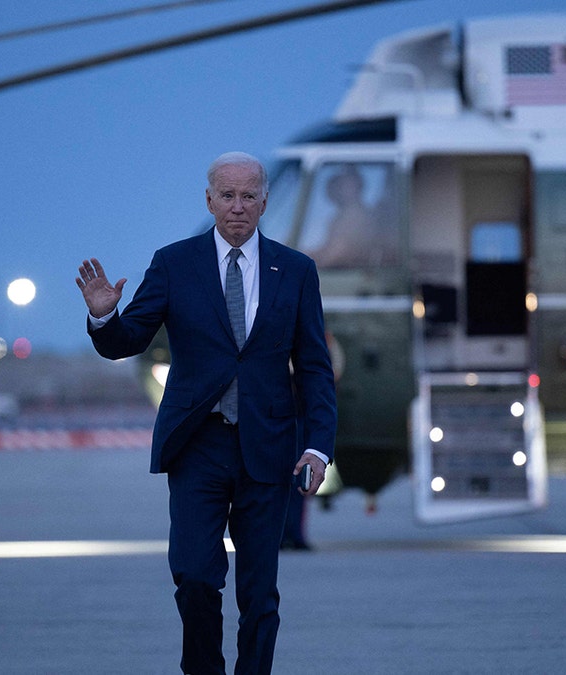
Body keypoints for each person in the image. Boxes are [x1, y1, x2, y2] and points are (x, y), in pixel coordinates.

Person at [75, 151, 336, 674]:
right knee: (195, 577)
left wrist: (316, 447)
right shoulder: (175, 263)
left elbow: (313, 368)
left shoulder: (297, 270)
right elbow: (130, 339)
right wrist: (104, 318)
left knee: (260, 595)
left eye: (248, 196)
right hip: (198, 446)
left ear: (264, 202)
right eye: (226, 196)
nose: (237, 206)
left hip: (268, 449)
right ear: (209, 200)